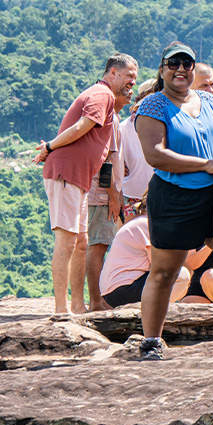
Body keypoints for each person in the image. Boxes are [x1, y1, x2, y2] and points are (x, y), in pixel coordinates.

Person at [133, 42, 213, 360]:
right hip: (174, 198)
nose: (180, 69)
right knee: (164, 272)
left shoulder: (211, 103)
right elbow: (155, 155)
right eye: (173, 63)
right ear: (162, 69)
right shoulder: (153, 106)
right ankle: (151, 341)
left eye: (187, 64)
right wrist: (205, 165)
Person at [33, 54, 138, 314]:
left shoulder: (107, 101)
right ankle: (61, 310)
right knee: (67, 241)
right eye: (129, 77)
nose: (132, 83)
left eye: (134, 79)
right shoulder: (102, 95)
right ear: (112, 73)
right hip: (67, 173)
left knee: (82, 242)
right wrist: (50, 146)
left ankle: (78, 306)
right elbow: (82, 126)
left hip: (78, 178)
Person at [99, 216, 213, 308]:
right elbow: (168, 264)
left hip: (115, 291)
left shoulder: (146, 223)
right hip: (125, 288)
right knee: (181, 276)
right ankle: (149, 317)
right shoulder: (148, 224)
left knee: (196, 293)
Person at [84, 81, 134, 312]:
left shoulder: (114, 120)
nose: (130, 94)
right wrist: (113, 195)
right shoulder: (110, 119)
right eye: (126, 90)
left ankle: (96, 298)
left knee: (100, 244)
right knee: (98, 245)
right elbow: (105, 160)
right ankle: (96, 300)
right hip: (101, 194)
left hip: (102, 192)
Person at [118, 79, 159, 221]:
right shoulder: (123, 128)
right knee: (130, 232)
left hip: (157, 193)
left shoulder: (165, 125)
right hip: (132, 194)